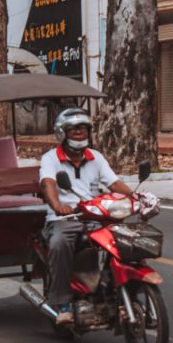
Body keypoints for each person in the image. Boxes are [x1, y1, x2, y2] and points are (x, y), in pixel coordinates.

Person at [39, 107, 135, 325]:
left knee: (121, 241)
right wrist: (57, 206)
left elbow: (114, 183)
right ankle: (63, 303)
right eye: (74, 129)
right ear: (62, 133)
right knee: (59, 243)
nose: (80, 133)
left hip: (94, 217)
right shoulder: (50, 158)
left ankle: (115, 293)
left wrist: (137, 196)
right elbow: (48, 183)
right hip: (64, 219)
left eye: (83, 129)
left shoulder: (96, 157)